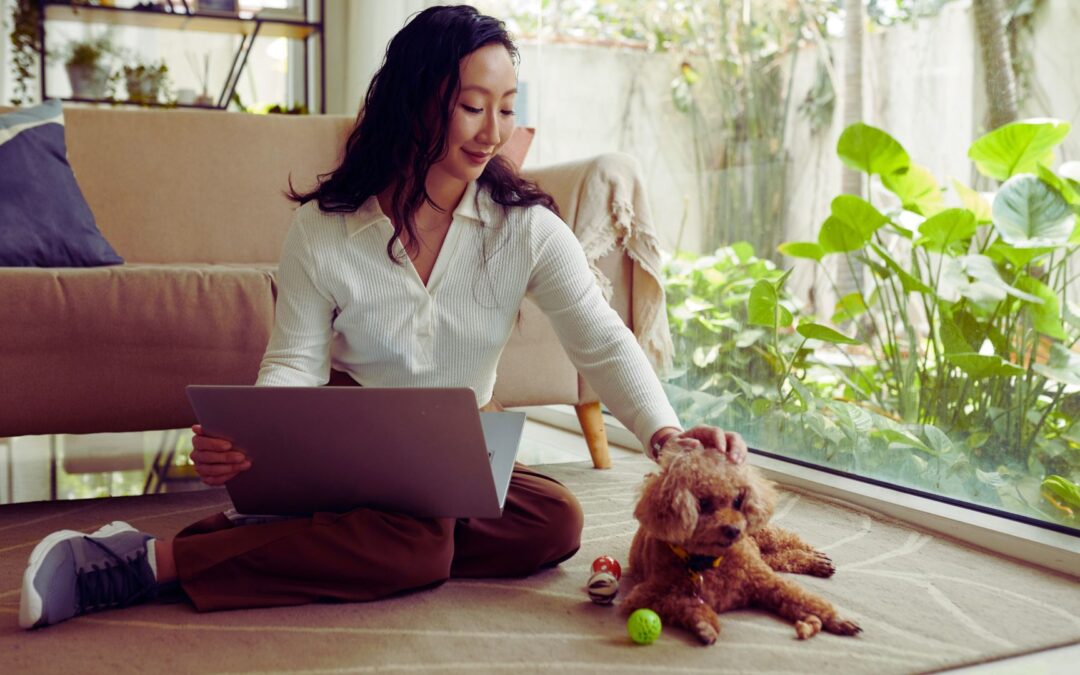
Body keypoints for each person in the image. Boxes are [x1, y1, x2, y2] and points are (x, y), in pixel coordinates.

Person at [18, 5, 747, 630]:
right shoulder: (325, 228)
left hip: (454, 450)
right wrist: (258, 439)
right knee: (418, 547)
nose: (494, 131)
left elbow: (601, 338)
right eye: (473, 106)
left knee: (553, 522)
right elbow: (295, 362)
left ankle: (338, 535)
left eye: (506, 107)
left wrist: (668, 436)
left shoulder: (526, 228)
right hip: (351, 443)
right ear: (415, 100)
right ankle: (148, 561)